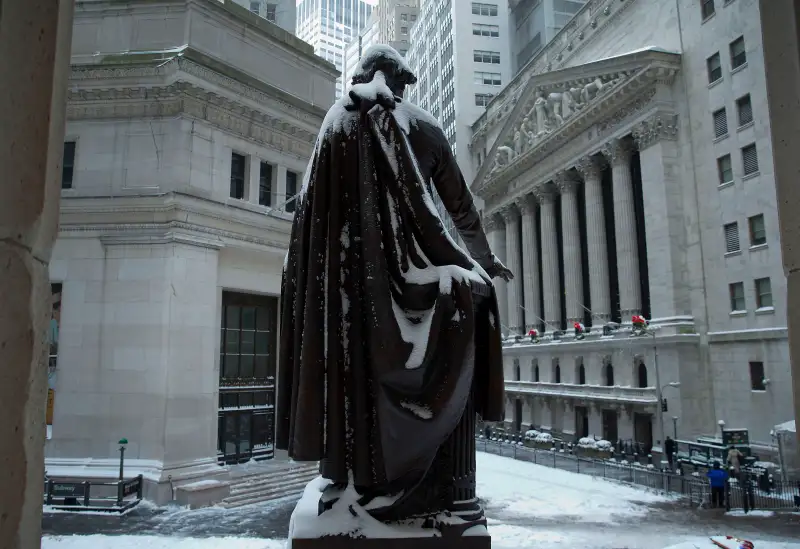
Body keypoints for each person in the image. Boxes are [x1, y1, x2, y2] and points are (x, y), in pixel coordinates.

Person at [277, 45, 512, 531]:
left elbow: (307, 206)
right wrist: (483, 264)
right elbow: (460, 209)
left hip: (344, 299)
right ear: (402, 82)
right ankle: (427, 483)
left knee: (355, 359)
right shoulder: (420, 126)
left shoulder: (334, 125)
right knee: (469, 302)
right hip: (392, 290)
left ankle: (356, 477)